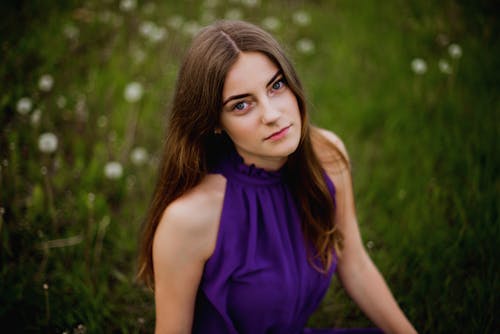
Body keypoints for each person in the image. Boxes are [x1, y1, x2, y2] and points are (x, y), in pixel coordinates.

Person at [137, 20, 417, 334]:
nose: (272, 114)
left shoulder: (328, 157)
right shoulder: (189, 219)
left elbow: (354, 262)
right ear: (215, 122)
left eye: (276, 85)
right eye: (241, 104)